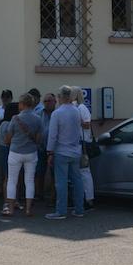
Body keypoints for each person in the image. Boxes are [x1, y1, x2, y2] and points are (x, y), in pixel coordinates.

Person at [46, 86, 85, 220]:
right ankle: (79, 209)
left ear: (60, 97)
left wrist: (50, 152)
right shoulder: (76, 111)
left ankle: (61, 211)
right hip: (75, 150)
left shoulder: (57, 113)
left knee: (61, 182)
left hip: (61, 151)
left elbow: (52, 135)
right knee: (77, 180)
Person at [2, 93, 44, 218]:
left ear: (22, 104)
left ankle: (10, 209)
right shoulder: (38, 119)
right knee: (29, 181)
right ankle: (28, 209)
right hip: (31, 152)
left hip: (15, 152)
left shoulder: (15, 119)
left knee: (12, 180)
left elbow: (8, 139)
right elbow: (39, 138)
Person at [38, 91, 57, 200]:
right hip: (41, 147)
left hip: (54, 149)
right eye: (45, 101)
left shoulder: (58, 113)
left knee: (54, 173)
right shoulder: (40, 113)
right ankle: (39, 194)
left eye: (49, 101)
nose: (47, 103)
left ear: (55, 102)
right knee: (39, 172)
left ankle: (53, 196)